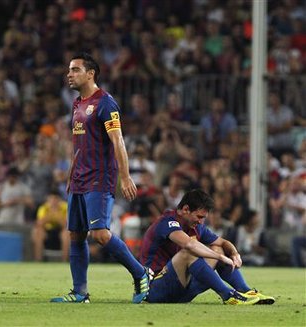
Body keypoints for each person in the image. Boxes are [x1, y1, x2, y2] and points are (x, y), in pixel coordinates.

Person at [50, 53, 150, 304]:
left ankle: (140, 273)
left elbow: (118, 141)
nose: (69, 74)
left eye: (75, 70)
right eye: (69, 70)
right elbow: (79, 145)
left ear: (90, 73)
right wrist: (71, 176)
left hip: (99, 178)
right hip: (78, 181)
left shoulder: (106, 103)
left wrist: (125, 177)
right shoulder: (77, 104)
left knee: (100, 234)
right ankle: (79, 292)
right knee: (75, 235)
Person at [139, 189, 275, 305]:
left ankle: (246, 291)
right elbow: (189, 244)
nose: (200, 221)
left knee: (218, 248)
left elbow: (222, 242)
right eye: (199, 216)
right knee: (189, 253)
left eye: (203, 218)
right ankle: (229, 296)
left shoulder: (196, 226)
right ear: (185, 209)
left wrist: (234, 254)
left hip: (180, 291)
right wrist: (220, 257)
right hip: (155, 289)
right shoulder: (167, 221)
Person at [31, 189, 69, 261]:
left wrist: (57, 215)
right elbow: (39, 224)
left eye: (55, 199)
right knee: (37, 232)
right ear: (48, 199)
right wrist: (50, 215)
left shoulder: (66, 207)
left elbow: (66, 224)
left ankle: (65, 261)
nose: (53, 201)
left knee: (66, 233)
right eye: (51, 199)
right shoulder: (43, 208)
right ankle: (38, 260)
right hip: (48, 232)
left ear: (59, 199)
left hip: (60, 231)